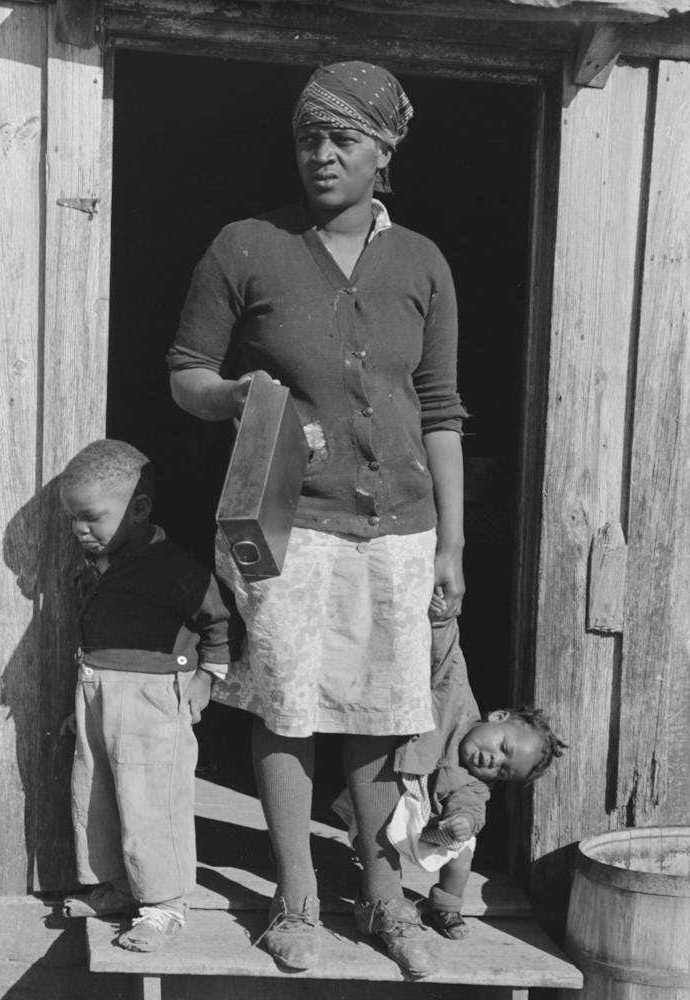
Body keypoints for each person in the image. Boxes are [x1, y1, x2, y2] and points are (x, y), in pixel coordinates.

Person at [167, 61, 467, 977]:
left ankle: (385, 903)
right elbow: (185, 371)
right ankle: (294, 901)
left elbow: (443, 407)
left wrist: (453, 541)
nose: (322, 155)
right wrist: (235, 396)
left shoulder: (421, 262)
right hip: (285, 521)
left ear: (386, 151)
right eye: (308, 137)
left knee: (384, 717)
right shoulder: (246, 246)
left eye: (343, 139)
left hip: (402, 530)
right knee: (288, 709)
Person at [58, 439, 235, 951]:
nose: (79, 530)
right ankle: (115, 886)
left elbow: (218, 623)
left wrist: (207, 680)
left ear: (138, 509)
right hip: (95, 691)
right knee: (95, 796)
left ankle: (165, 905)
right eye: (73, 520)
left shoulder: (175, 567)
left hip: (153, 700)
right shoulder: (95, 564)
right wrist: (83, 709)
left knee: (150, 801)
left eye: (91, 518)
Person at [352, 617, 567, 941]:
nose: (494, 761)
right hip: (392, 803)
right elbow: (449, 656)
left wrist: (463, 821)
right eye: (503, 747)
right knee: (372, 840)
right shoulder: (457, 699)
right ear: (496, 717)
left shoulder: (475, 783)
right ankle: (379, 888)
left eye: (504, 771)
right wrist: (441, 619)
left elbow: (472, 805)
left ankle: (446, 906)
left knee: (463, 852)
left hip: (433, 824)